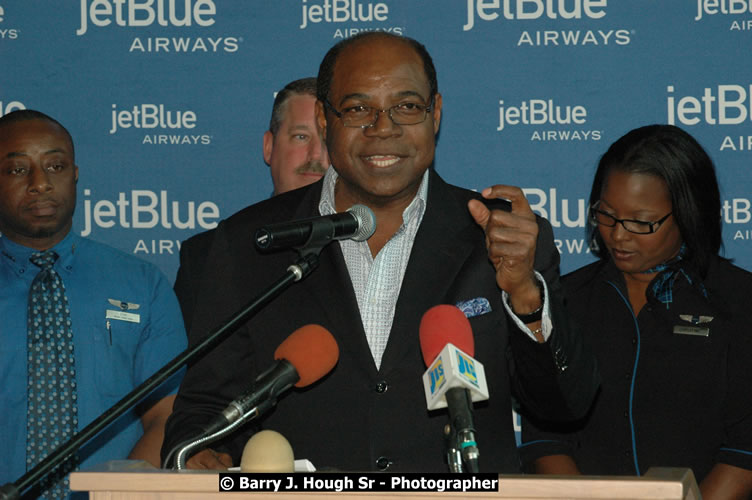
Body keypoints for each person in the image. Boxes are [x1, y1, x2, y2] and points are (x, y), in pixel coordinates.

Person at [162, 32, 598, 472]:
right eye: (357, 109)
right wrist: (202, 456)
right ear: (324, 119)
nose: (383, 128)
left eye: (407, 107)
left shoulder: (500, 236)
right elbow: (202, 412)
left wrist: (525, 293)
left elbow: (565, 407)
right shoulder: (250, 244)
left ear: (436, 115)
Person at [519, 125, 752, 498]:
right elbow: (545, 439)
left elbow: (745, 451)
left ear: (690, 213)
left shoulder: (739, 301)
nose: (618, 235)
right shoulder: (567, 301)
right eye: (606, 215)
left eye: (642, 222)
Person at [0, 110, 187, 499]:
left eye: (55, 165)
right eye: (18, 170)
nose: (40, 184)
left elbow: (165, 415)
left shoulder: (140, 283)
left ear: (76, 174)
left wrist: (118, 493)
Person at [263, 77, 329, 195]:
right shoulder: (243, 214)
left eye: (328, 139)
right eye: (301, 137)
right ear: (269, 147)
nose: (316, 155)